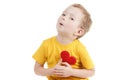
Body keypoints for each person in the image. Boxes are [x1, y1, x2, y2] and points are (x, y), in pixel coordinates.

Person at [32, 3, 95, 80]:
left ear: (78, 32)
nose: (64, 18)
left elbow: (91, 71)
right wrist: (52, 71)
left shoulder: (80, 48)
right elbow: (37, 70)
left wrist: (71, 72)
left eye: (71, 18)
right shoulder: (46, 44)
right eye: (64, 14)